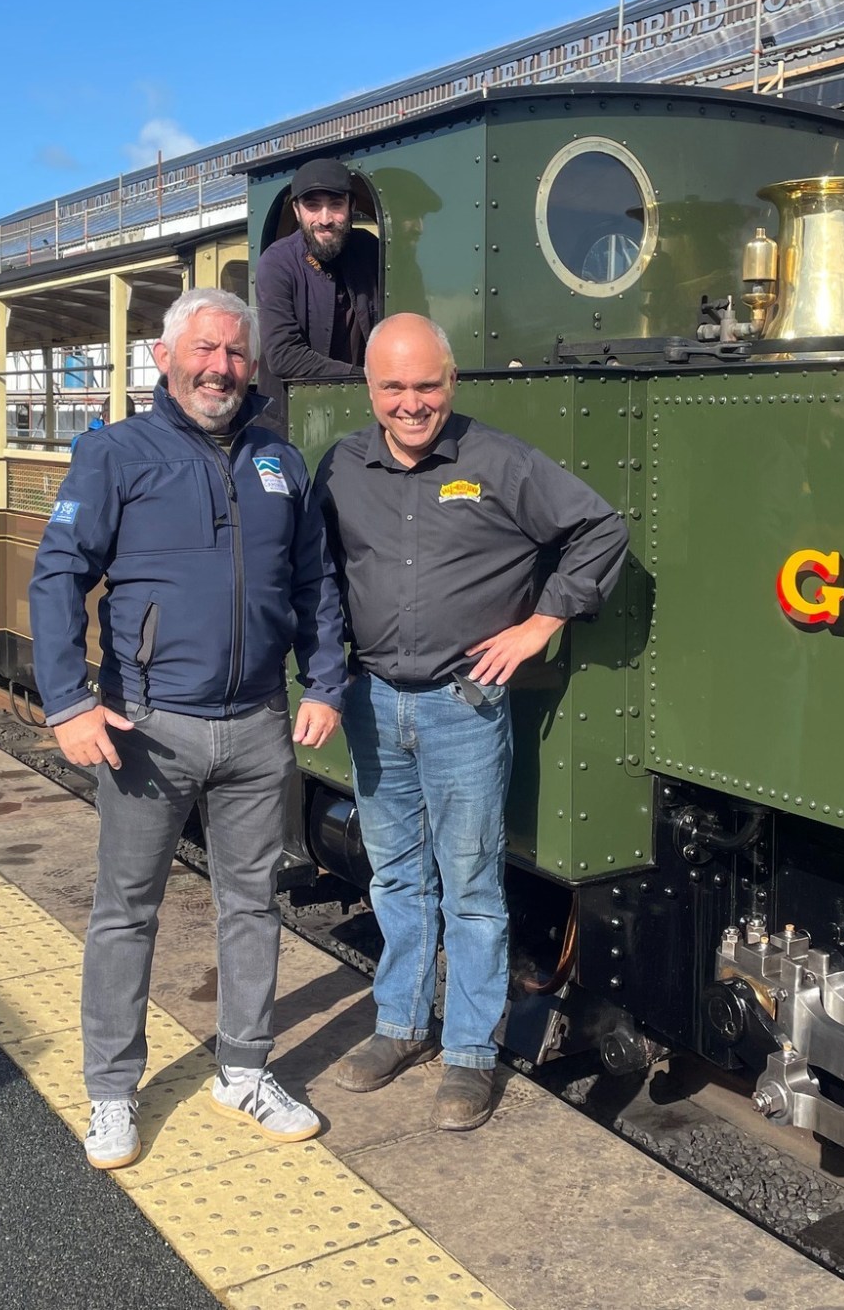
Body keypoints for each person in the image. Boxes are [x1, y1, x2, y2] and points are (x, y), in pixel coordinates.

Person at [29, 285, 348, 1170]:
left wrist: (324, 682)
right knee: (126, 911)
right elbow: (58, 574)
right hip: (147, 728)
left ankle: (243, 1070)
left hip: (258, 724)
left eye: (236, 352)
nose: (220, 367)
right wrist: (68, 701)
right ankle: (111, 1092)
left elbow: (315, 584)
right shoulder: (114, 454)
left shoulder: (279, 460)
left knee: (253, 904)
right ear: (164, 358)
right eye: (204, 349)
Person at [314, 314, 628, 1130]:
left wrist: (541, 624)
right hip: (373, 701)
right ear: (370, 390)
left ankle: (470, 1055)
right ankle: (400, 1027)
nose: (412, 403)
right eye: (394, 387)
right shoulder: (340, 466)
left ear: (451, 383)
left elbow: (601, 528)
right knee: (395, 877)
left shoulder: (499, 461)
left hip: (464, 706)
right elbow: (319, 575)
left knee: (473, 889)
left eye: (427, 385)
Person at [252, 157, 382, 435]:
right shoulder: (277, 262)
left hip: (361, 413)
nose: (325, 219)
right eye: (313, 206)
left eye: (335, 205)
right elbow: (284, 355)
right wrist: (363, 378)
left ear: (351, 206)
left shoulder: (370, 249)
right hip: (294, 422)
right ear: (297, 210)